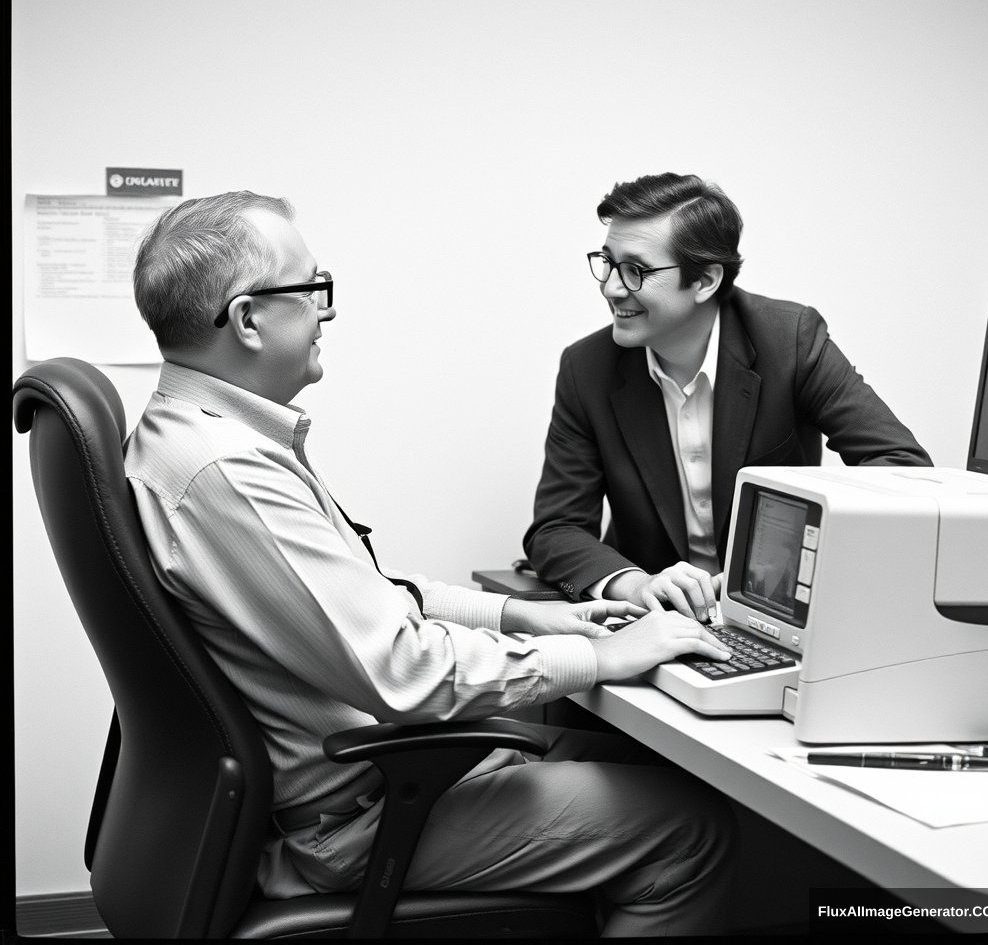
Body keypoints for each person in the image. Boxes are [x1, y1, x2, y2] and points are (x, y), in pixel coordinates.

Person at [124, 190, 739, 937]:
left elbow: (369, 599)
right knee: (692, 828)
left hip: (376, 775)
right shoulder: (224, 471)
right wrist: (600, 655)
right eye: (313, 289)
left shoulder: (193, 436)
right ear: (249, 319)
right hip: (360, 812)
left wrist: (521, 613)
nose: (326, 312)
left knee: (641, 763)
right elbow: (404, 670)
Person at [524, 173, 932, 622]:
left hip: (776, 611)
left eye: (636, 270)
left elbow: (902, 468)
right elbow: (556, 529)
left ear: (705, 281)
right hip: (652, 623)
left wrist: (772, 561)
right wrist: (636, 584)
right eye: (607, 262)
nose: (611, 287)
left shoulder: (789, 340)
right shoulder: (587, 368)